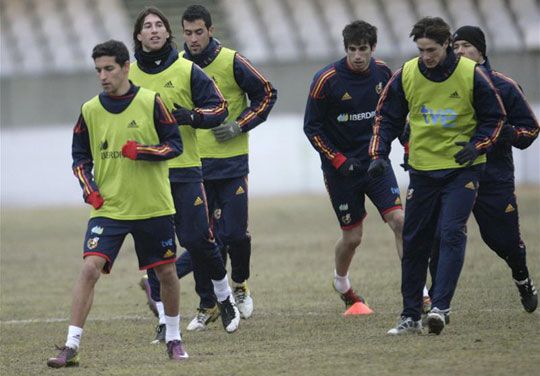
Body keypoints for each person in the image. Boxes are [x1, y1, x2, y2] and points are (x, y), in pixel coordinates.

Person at [47, 40, 187, 367]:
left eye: (109, 68)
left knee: (167, 272)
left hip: (153, 206)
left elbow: (174, 145)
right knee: (89, 269)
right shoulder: (89, 110)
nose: (103, 76)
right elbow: (80, 159)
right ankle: (71, 346)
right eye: (98, 70)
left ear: (126, 68)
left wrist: (143, 151)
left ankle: (174, 337)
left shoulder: (152, 102)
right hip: (109, 209)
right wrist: (89, 189)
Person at [140, 4, 277, 332]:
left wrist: (239, 125)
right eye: (187, 33)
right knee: (203, 239)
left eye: (198, 32)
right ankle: (208, 303)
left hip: (230, 164)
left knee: (232, 233)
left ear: (211, 30)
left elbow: (266, 94)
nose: (193, 38)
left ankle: (240, 283)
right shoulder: (178, 65)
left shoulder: (231, 60)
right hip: (194, 167)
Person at [368, 17, 505, 335]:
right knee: (415, 240)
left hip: (463, 170)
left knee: (451, 232)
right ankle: (410, 314)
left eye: (432, 49)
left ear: (447, 45)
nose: (426, 56)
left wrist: (477, 145)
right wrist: (377, 154)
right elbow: (385, 116)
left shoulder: (471, 75)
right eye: (421, 49)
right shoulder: (408, 73)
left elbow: (496, 118)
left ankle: (440, 308)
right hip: (423, 172)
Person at [129, 6, 240, 342]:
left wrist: (191, 116)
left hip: (185, 170)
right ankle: (164, 320)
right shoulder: (129, 75)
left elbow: (219, 108)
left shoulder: (187, 69)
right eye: (147, 26)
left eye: (159, 25)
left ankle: (225, 298)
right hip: (147, 176)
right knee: (154, 251)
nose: (154, 30)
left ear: (167, 32)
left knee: (197, 239)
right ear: (138, 35)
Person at [428, 25, 538, 312]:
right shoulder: (439, 84)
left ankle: (522, 276)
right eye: (455, 46)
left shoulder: (504, 86)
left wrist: (508, 134)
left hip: (493, 177)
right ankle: (437, 304)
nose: (460, 51)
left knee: (502, 241)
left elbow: (530, 130)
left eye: (466, 45)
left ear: (482, 51)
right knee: (439, 236)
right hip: (451, 175)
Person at [303, 20, 406, 312]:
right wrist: (338, 161)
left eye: (363, 49)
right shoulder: (327, 80)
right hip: (341, 171)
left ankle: (417, 292)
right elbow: (312, 128)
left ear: (373, 48)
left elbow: (393, 115)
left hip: (376, 162)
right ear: (345, 49)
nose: (358, 55)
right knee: (353, 237)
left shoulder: (385, 73)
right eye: (352, 50)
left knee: (400, 222)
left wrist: (403, 144)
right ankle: (341, 281)